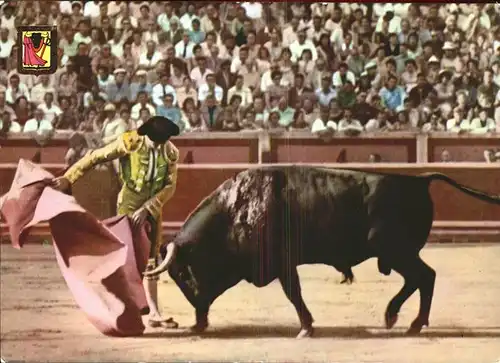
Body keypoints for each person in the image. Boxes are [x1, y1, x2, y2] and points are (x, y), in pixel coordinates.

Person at [51, 116, 181, 329]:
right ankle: (124, 310)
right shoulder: (130, 143)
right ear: (146, 135)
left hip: (151, 207)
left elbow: (170, 186)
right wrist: (68, 177)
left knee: (151, 259)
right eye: (156, 141)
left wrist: (148, 207)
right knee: (128, 258)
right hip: (128, 205)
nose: (159, 146)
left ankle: (155, 313)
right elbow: (95, 157)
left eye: (163, 141)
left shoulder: (170, 152)